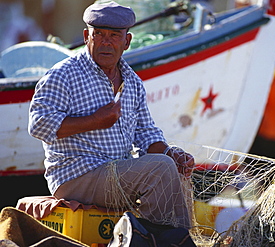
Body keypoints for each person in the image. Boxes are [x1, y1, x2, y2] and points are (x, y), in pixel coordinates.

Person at [28, 1, 195, 229]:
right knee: (160, 169)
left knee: (171, 166)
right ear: (87, 36)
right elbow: (38, 125)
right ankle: (164, 241)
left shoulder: (133, 81)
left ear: (127, 42)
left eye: (115, 35)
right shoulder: (63, 75)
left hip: (115, 173)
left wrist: (170, 154)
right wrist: (94, 121)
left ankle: (156, 238)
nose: (106, 42)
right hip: (75, 177)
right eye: (99, 34)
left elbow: (146, 135)